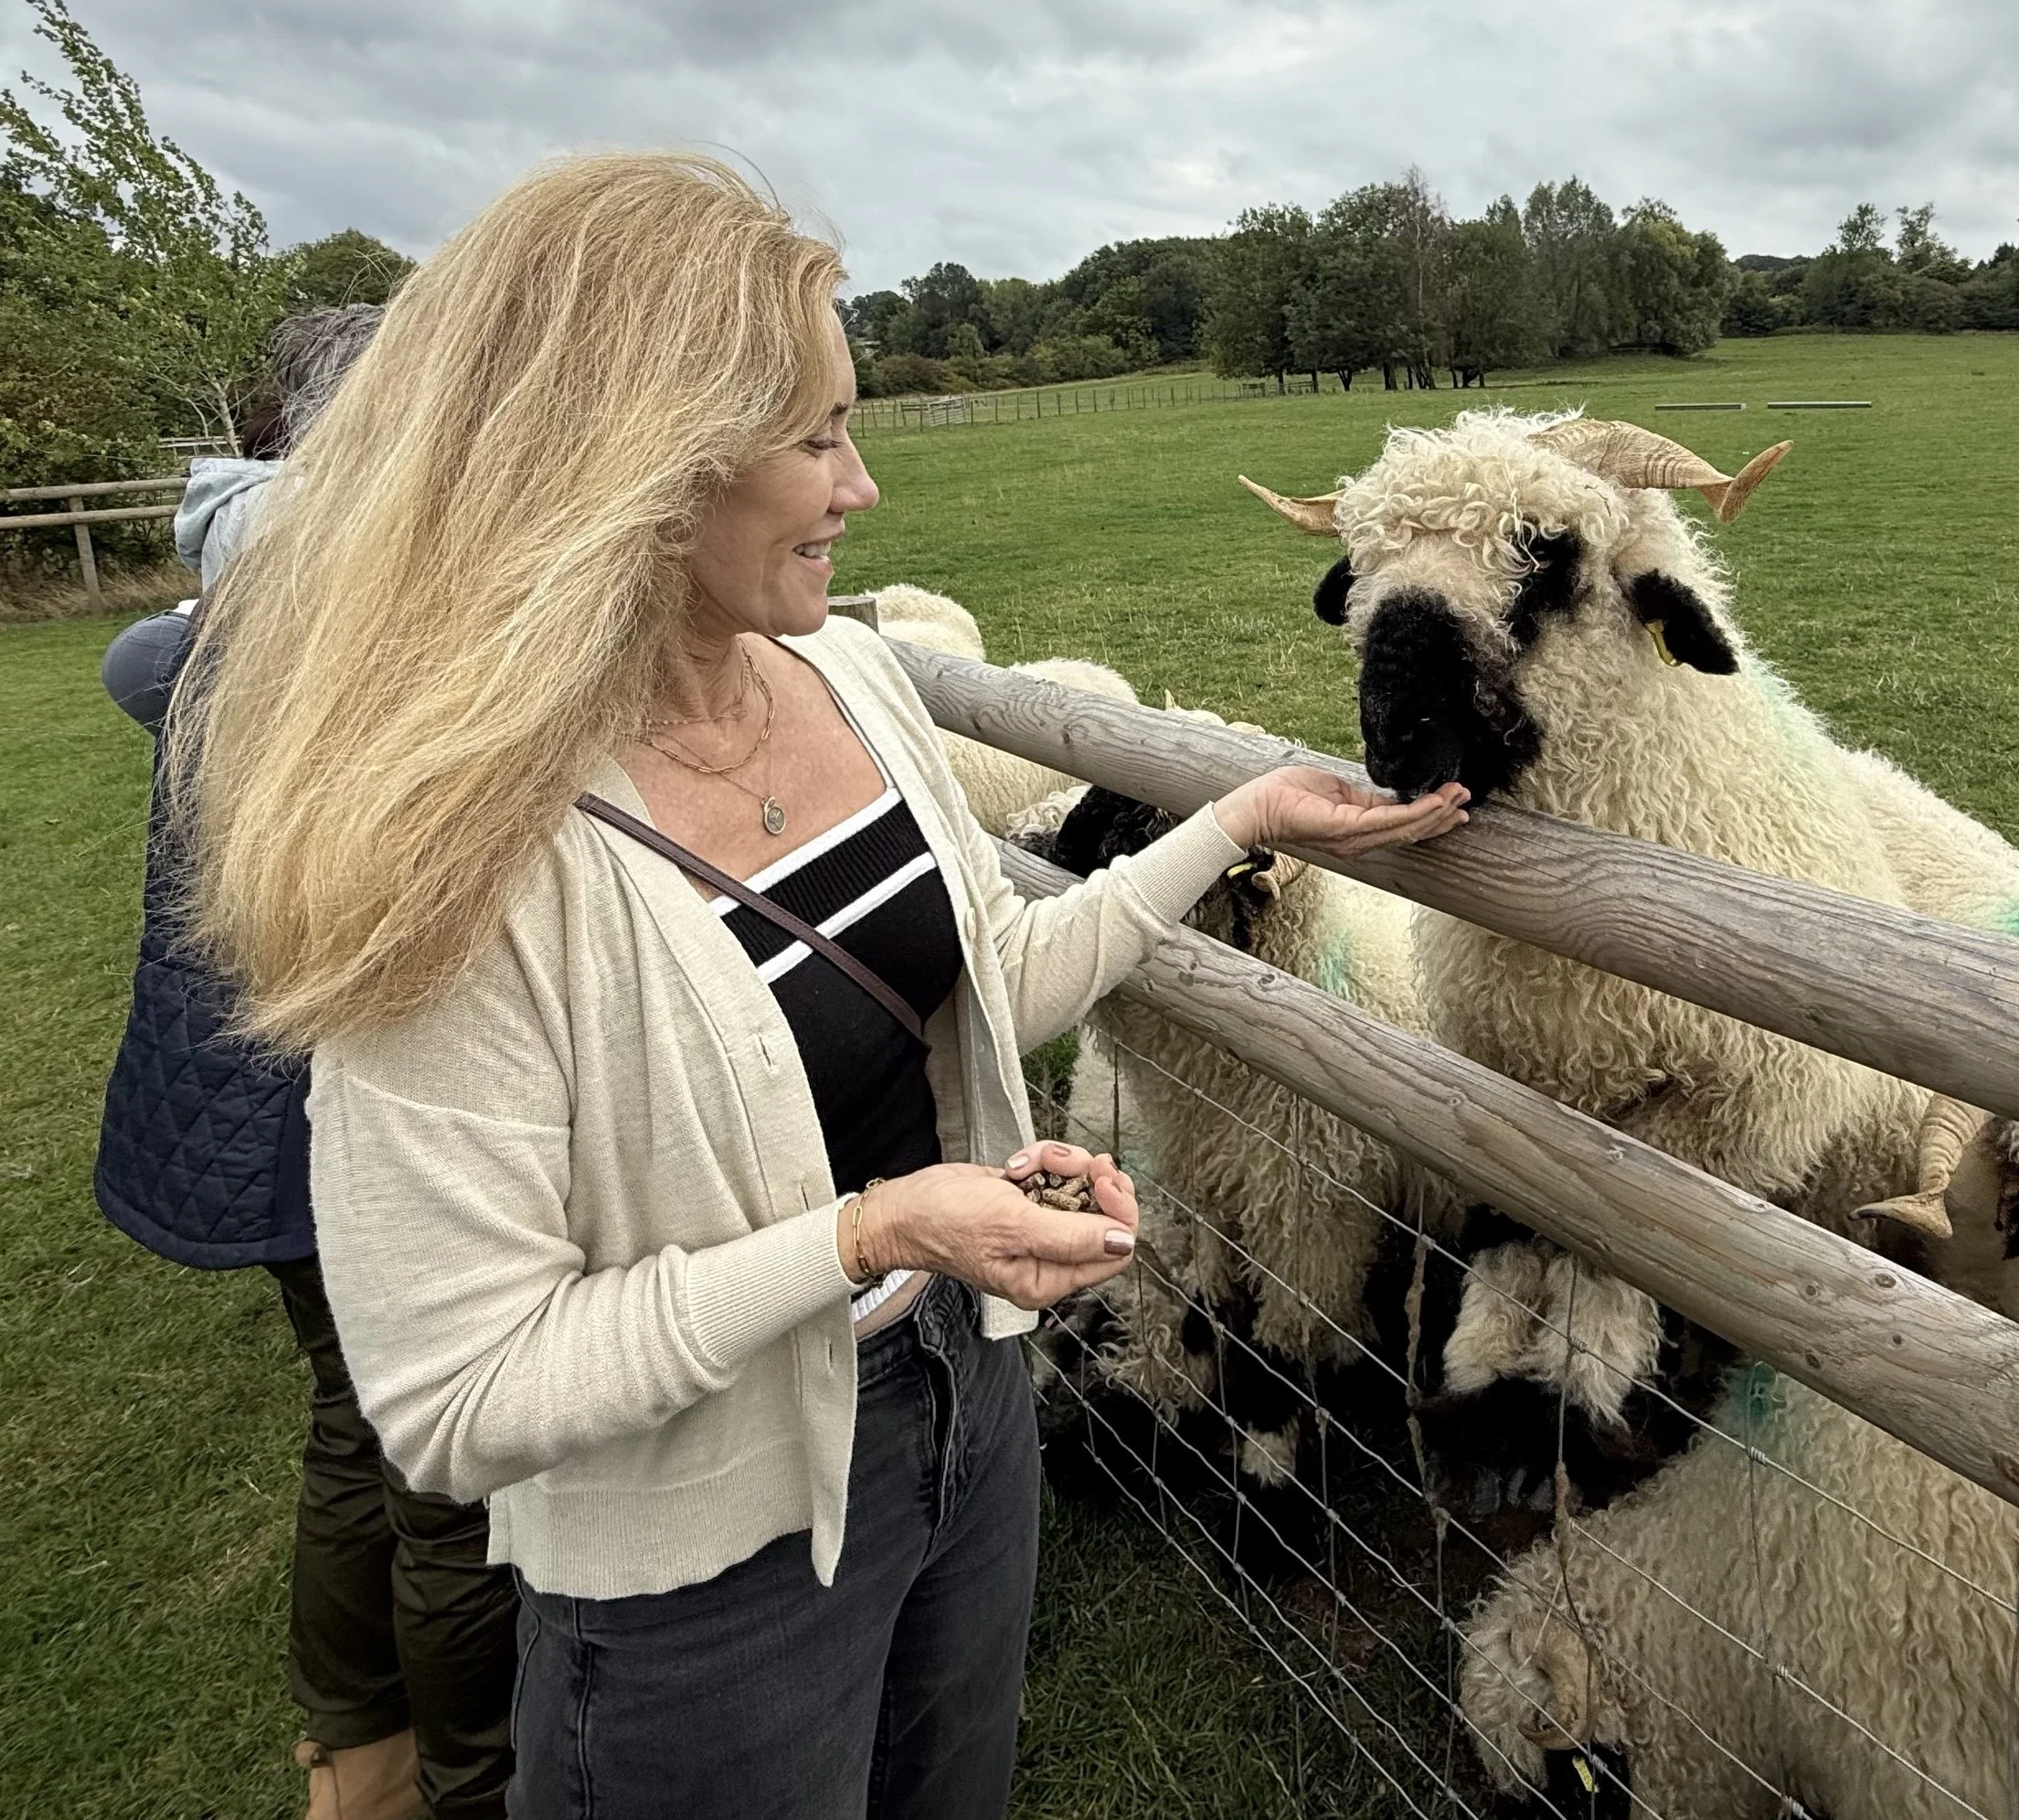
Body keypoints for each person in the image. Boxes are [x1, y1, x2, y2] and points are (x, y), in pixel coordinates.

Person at [167, 152, 1470, 1820]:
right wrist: (874, 1232)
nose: (861, 489)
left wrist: (1225, 824)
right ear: (637, 462)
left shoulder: (848, 675)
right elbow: (455, 1394)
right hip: (710, 1564)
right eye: (817, 435)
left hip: (967, 1404)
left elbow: (990, 979)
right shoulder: (456, 848)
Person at [94, 305, 517, 1820]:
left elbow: (139, 666)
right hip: (317, 1080)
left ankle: (357, 1761)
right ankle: (475, 1782)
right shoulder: (345, 585)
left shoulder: (242, 579)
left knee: (358, 1428)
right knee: (448, 1471)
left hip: (238, 1075)